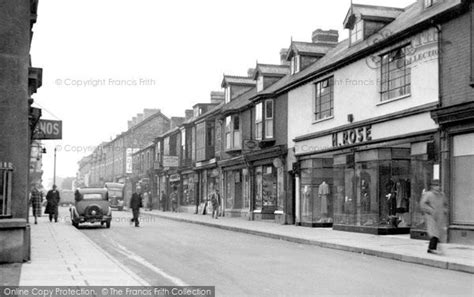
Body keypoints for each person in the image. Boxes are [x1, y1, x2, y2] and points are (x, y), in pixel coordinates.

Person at [420, 185, 448, 255]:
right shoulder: (428, 194)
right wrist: (430, 210)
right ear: (432, 187)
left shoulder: (442, 195)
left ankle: (435, 248)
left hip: (440, 217)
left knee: (438, 233)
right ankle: (431, 248)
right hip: (431, 216)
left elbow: (445, 204)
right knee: (434, 232)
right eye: (435, 186)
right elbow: (423, 203)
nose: (437, 187)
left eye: (438, 185)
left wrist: (445, 210)